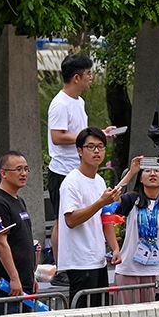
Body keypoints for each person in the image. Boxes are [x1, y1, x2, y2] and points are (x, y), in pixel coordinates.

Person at [58, 128, 123, 304]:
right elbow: (71, 220)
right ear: (80, 151)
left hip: (98, 259)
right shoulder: (71, 182)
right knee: (83, 313)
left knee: (101, 311)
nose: (96, 151)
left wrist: (115, 247)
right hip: (79, 261)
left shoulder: (99, 181)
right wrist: (100, 203)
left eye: (100, 146)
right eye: (91, 146)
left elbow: (105, 218)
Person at [115, 155, 159, 303]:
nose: (152, 173)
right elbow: (112, 198)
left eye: (157, 171)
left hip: (158, 269)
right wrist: (131, 172)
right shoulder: (132, 199)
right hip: (129, 269)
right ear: (140, 178)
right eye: (147, 170)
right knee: (127, 312)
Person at [46, 52, 96, 245]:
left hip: (79, 168)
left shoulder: (79, 101)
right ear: (76, 78)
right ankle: (60, 262)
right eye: (88, 73)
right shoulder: (60, 104)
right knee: (62, 221)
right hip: (62, 171)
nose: (91, 77)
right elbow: (57, 136)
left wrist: (95, 135)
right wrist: (87, 137)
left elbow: (79, 133)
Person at [0, 151, 38, 310]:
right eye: (18, 169)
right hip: (7, 285)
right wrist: (14, 277)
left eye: (26, 169)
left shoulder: (19, 201)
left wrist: (31, 276)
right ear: (4, 173)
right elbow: (0, 243)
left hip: (24, 282)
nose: (23, 173)